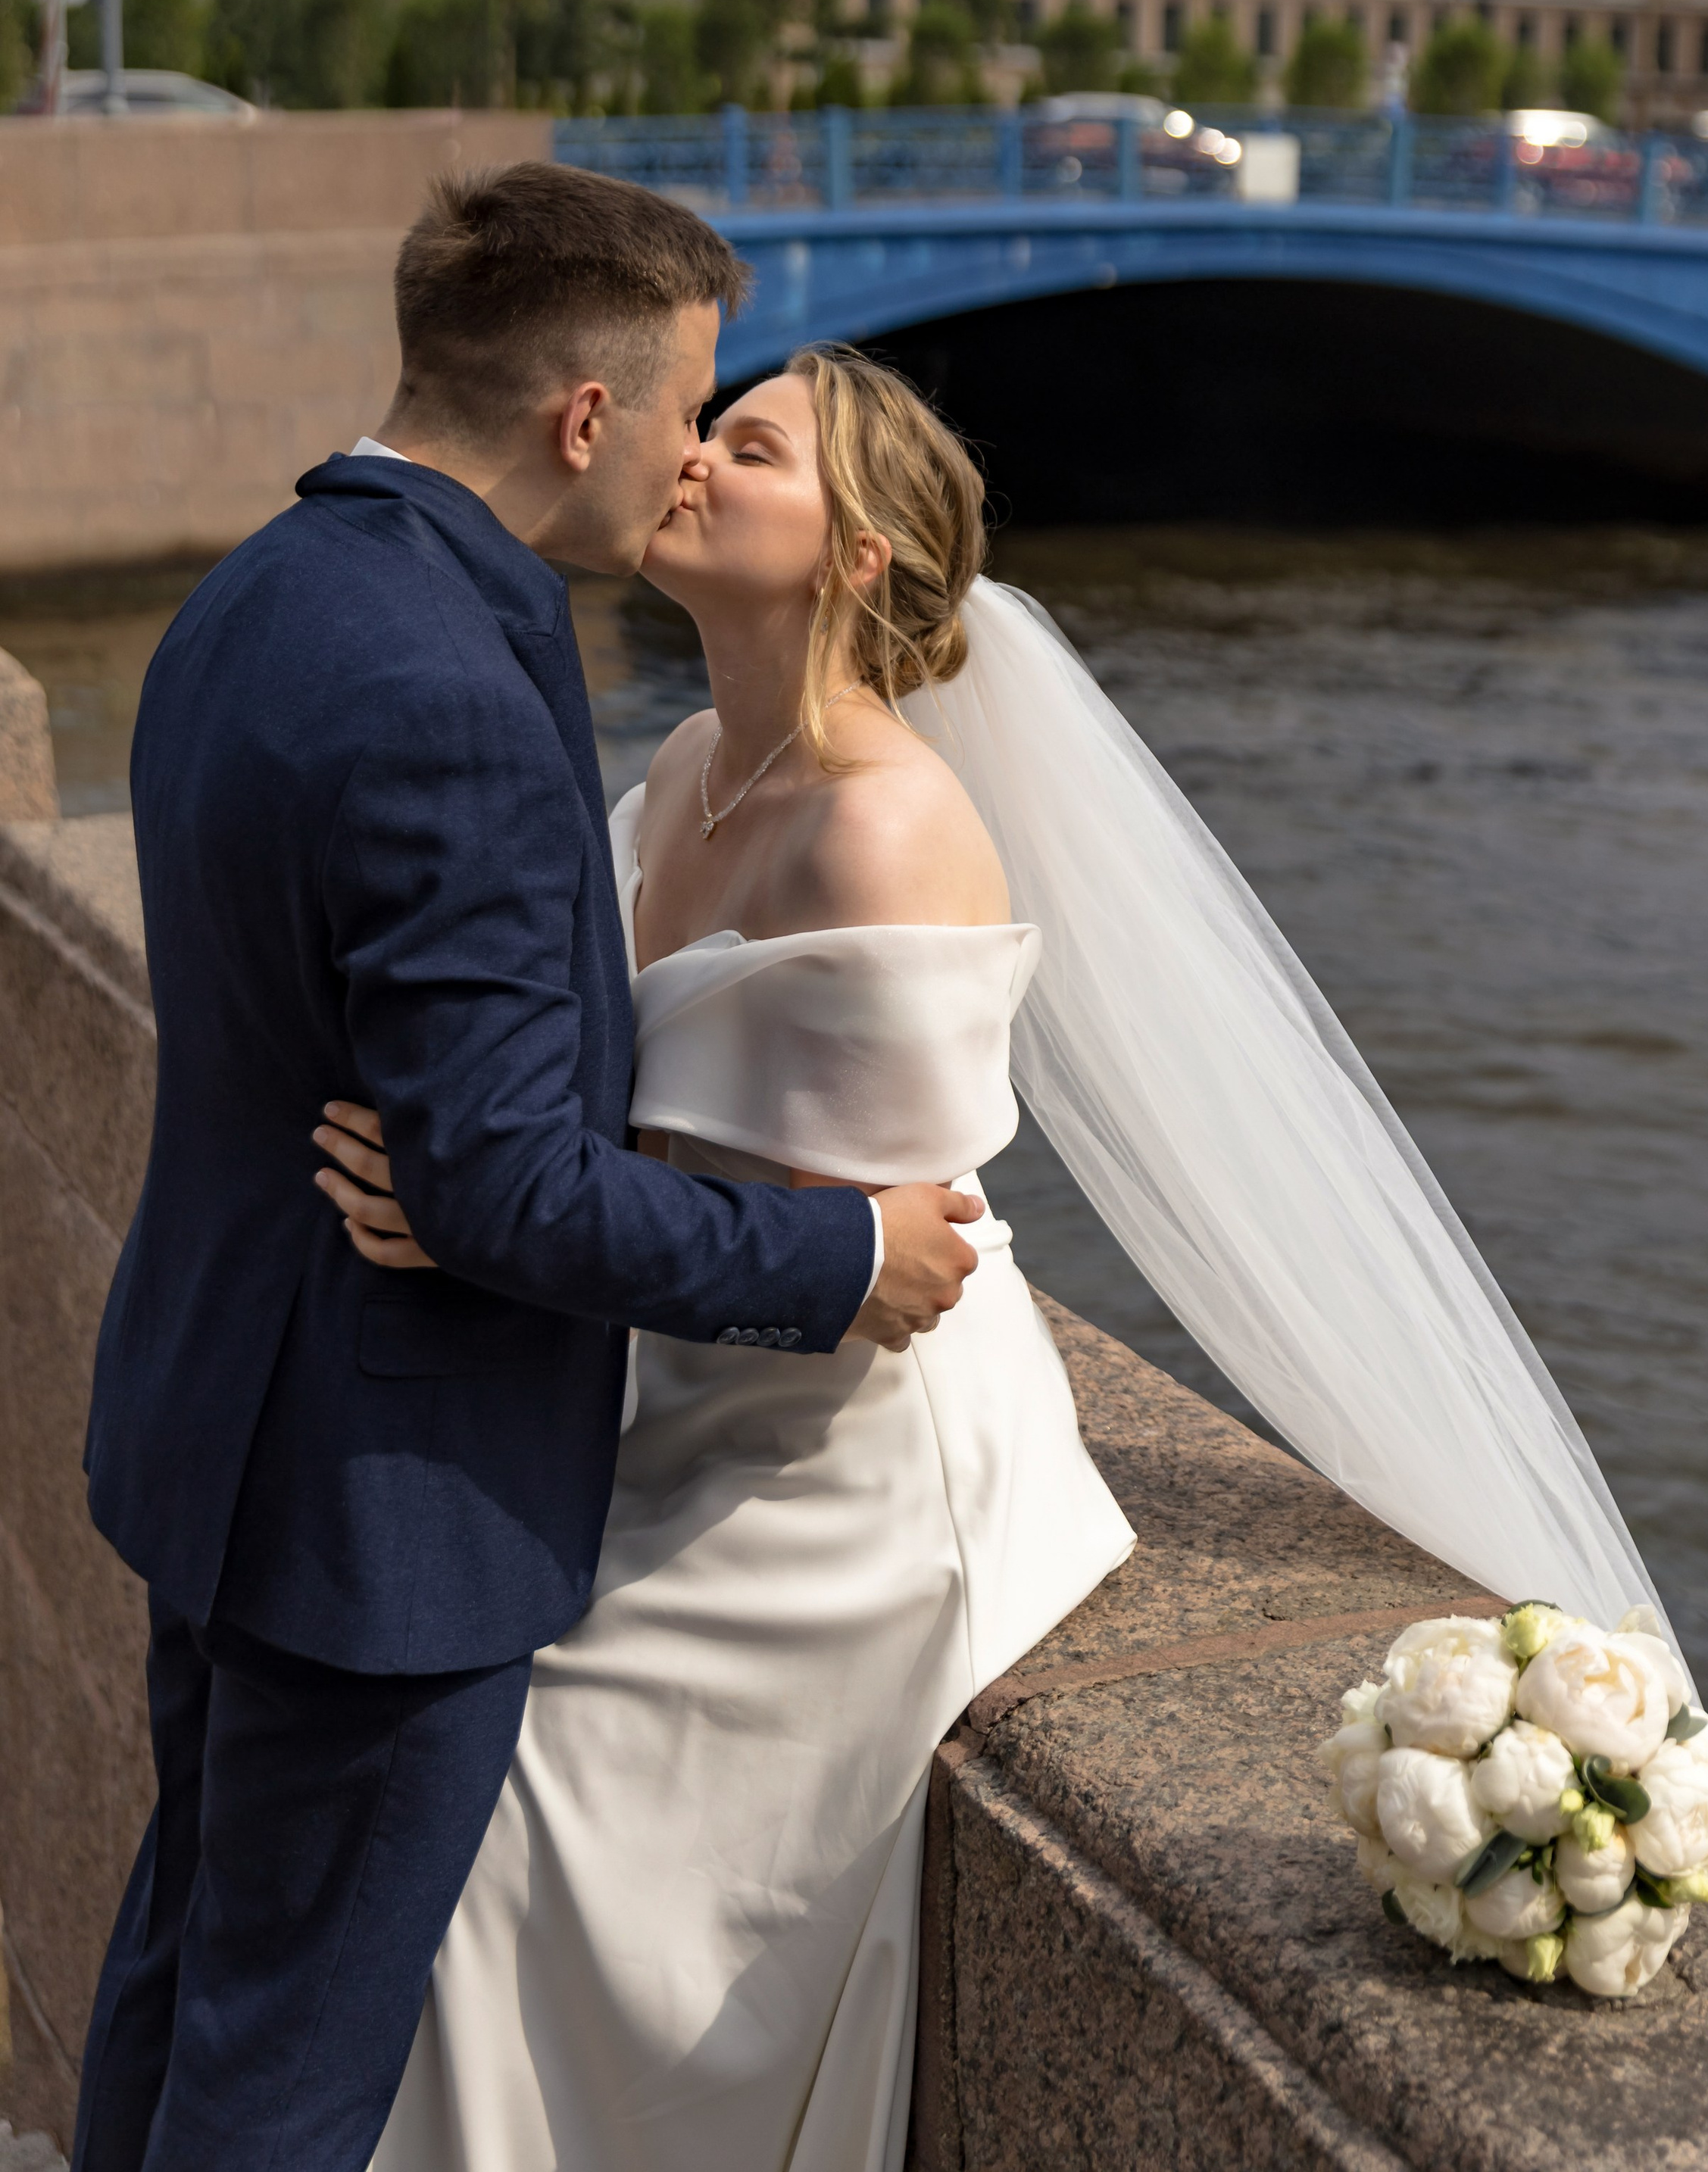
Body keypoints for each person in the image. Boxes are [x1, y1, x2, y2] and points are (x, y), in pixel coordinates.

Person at [71, 170, 983, 2172]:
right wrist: (837, 1260)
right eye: (688, 409)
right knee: (287, 2073)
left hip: (217, 1426)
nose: (684, 453)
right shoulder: (459, 693)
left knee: (185, 1973)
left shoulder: (264, 591)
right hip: (376, 1509)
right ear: (587, 416)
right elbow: (498, 1193)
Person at [323, 346, 1135, 2170]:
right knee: (424, 1787)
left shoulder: (885, 827)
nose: (689, 456)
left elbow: (883, 1266)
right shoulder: (691, 756)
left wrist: (472, 1226)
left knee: (500, 1831)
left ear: (853, 556)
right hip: (672, 1399)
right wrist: (466, 1159)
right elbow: (610, 1111)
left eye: (748, 446)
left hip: (833, 1475)